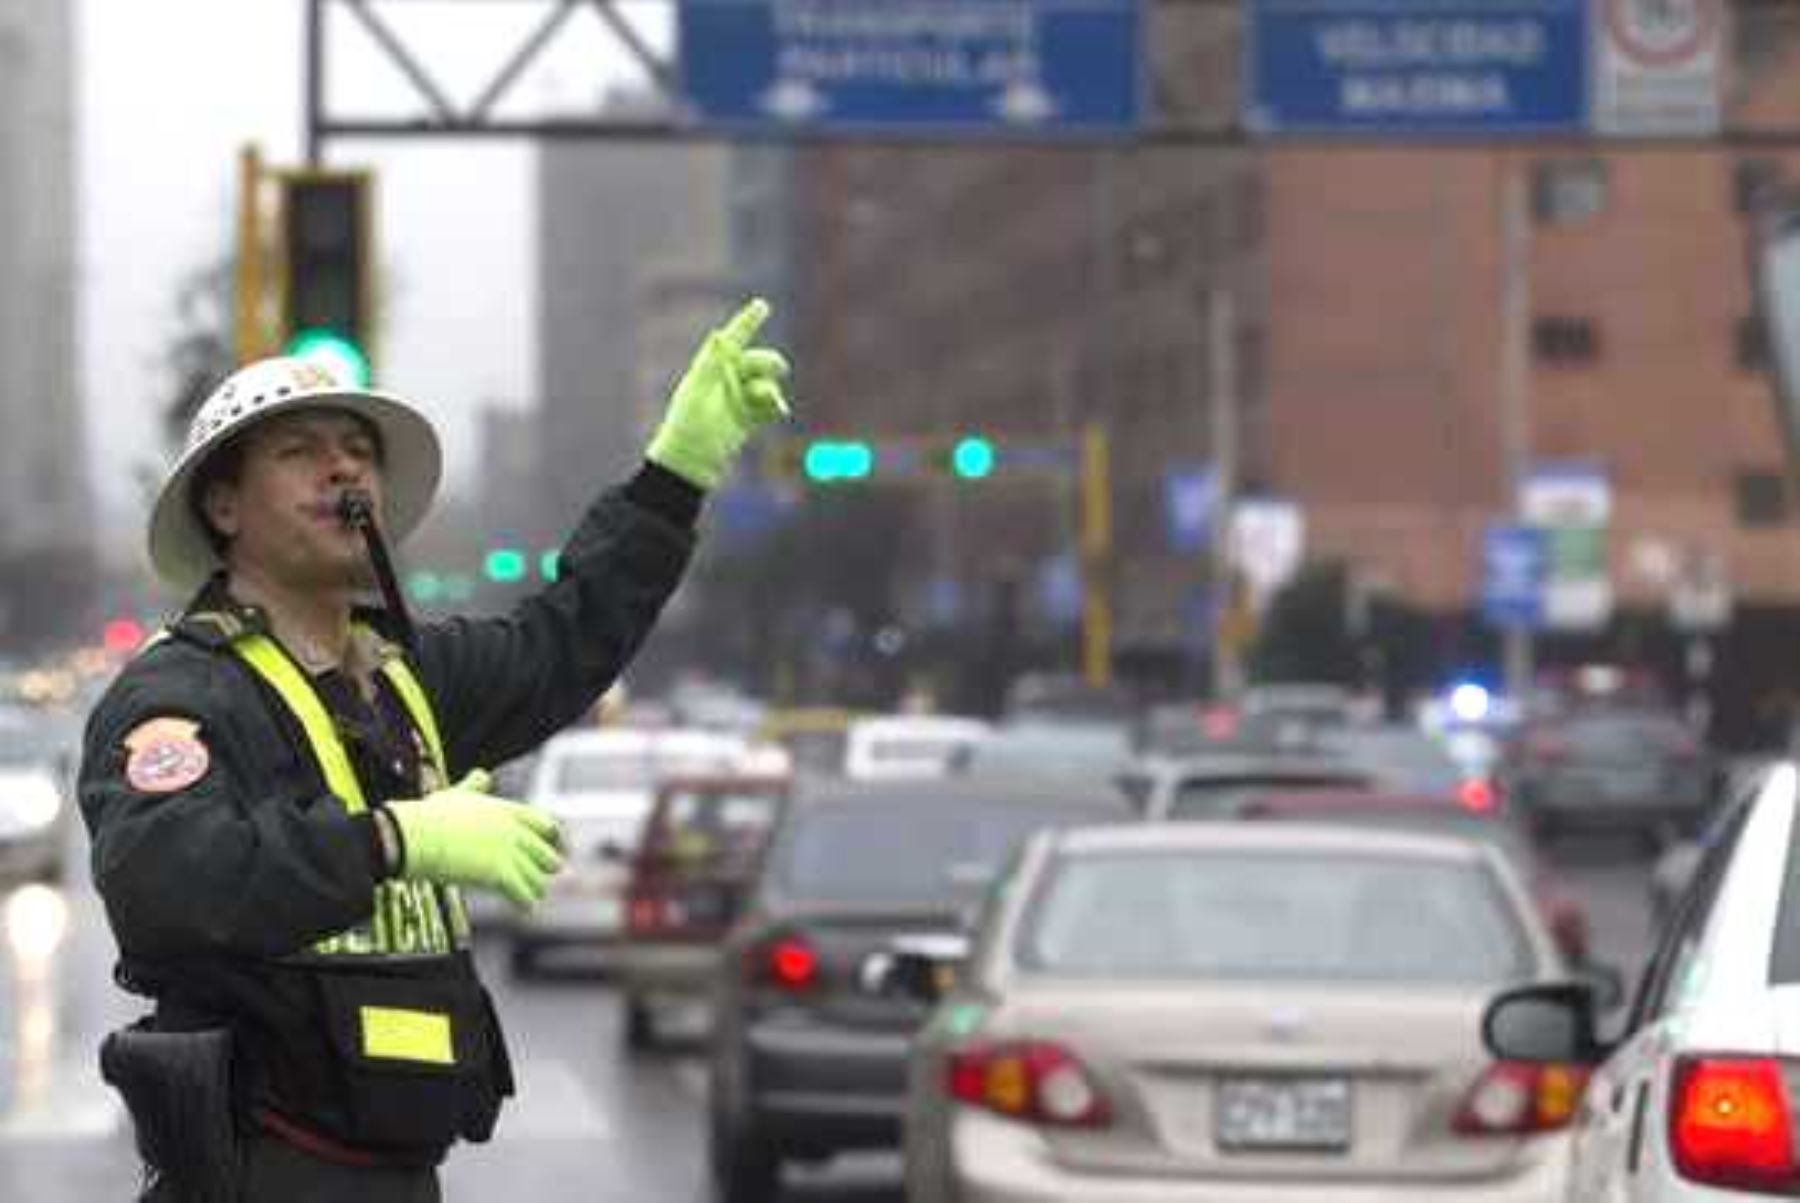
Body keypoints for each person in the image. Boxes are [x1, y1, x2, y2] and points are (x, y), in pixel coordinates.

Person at [79, 299, 790, 1201]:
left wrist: (674, 475)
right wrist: (396, 839)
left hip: (403, 1174)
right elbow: (164, 878)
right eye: (299, 451)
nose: (344, 468)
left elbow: (562, 641)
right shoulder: (184, 693)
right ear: (224, 505)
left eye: (359, 449)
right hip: (264, 1173)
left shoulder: (407, 674)